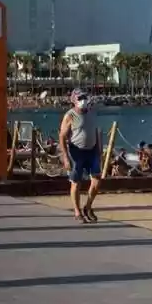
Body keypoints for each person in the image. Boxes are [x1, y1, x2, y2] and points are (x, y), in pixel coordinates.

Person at [58, 88, 102, 223]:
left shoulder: (91, 113)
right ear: (74, 101)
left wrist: (99, 150)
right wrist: (65, 157)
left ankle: (87, 207)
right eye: (80, 98)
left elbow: (96, 131)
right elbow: (62, 136)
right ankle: (77, 212)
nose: (83, 101)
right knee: (76, 182)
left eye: (84, 98)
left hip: (92, 150)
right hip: (76, 151)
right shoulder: (70, 116)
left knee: (97, 180)